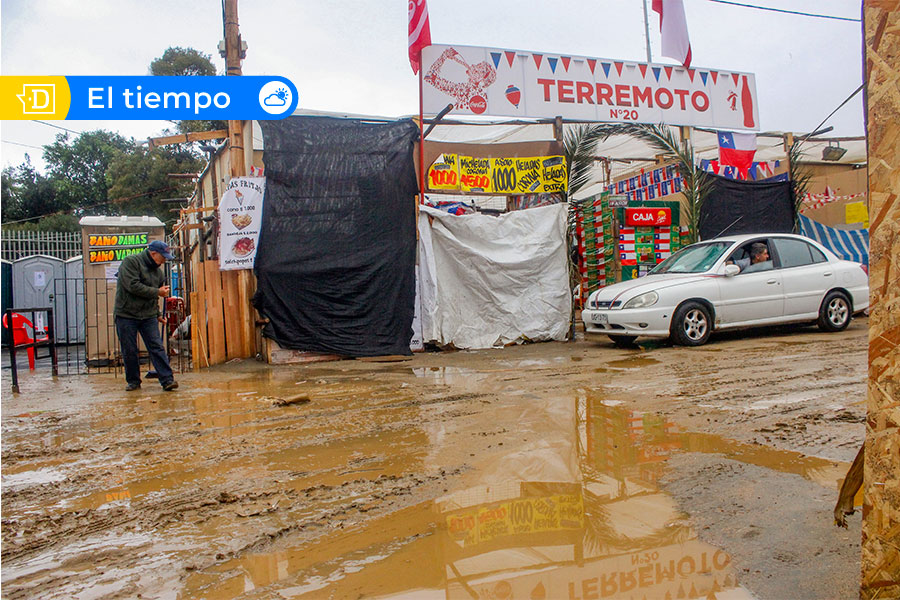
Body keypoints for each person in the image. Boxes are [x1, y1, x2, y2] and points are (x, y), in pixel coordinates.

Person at [114, 240, 179, 392]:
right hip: (126, 314)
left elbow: (153, 297)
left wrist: (157, 314)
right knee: (129, 349)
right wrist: (158, 292)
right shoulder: (131, 262)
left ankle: (167, 380)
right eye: (162, 257)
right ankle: (133, 381)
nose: (164, 261)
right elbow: (132, 286)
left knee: (157, 346)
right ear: (153, 253)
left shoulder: (158, 273)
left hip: (147, 315)